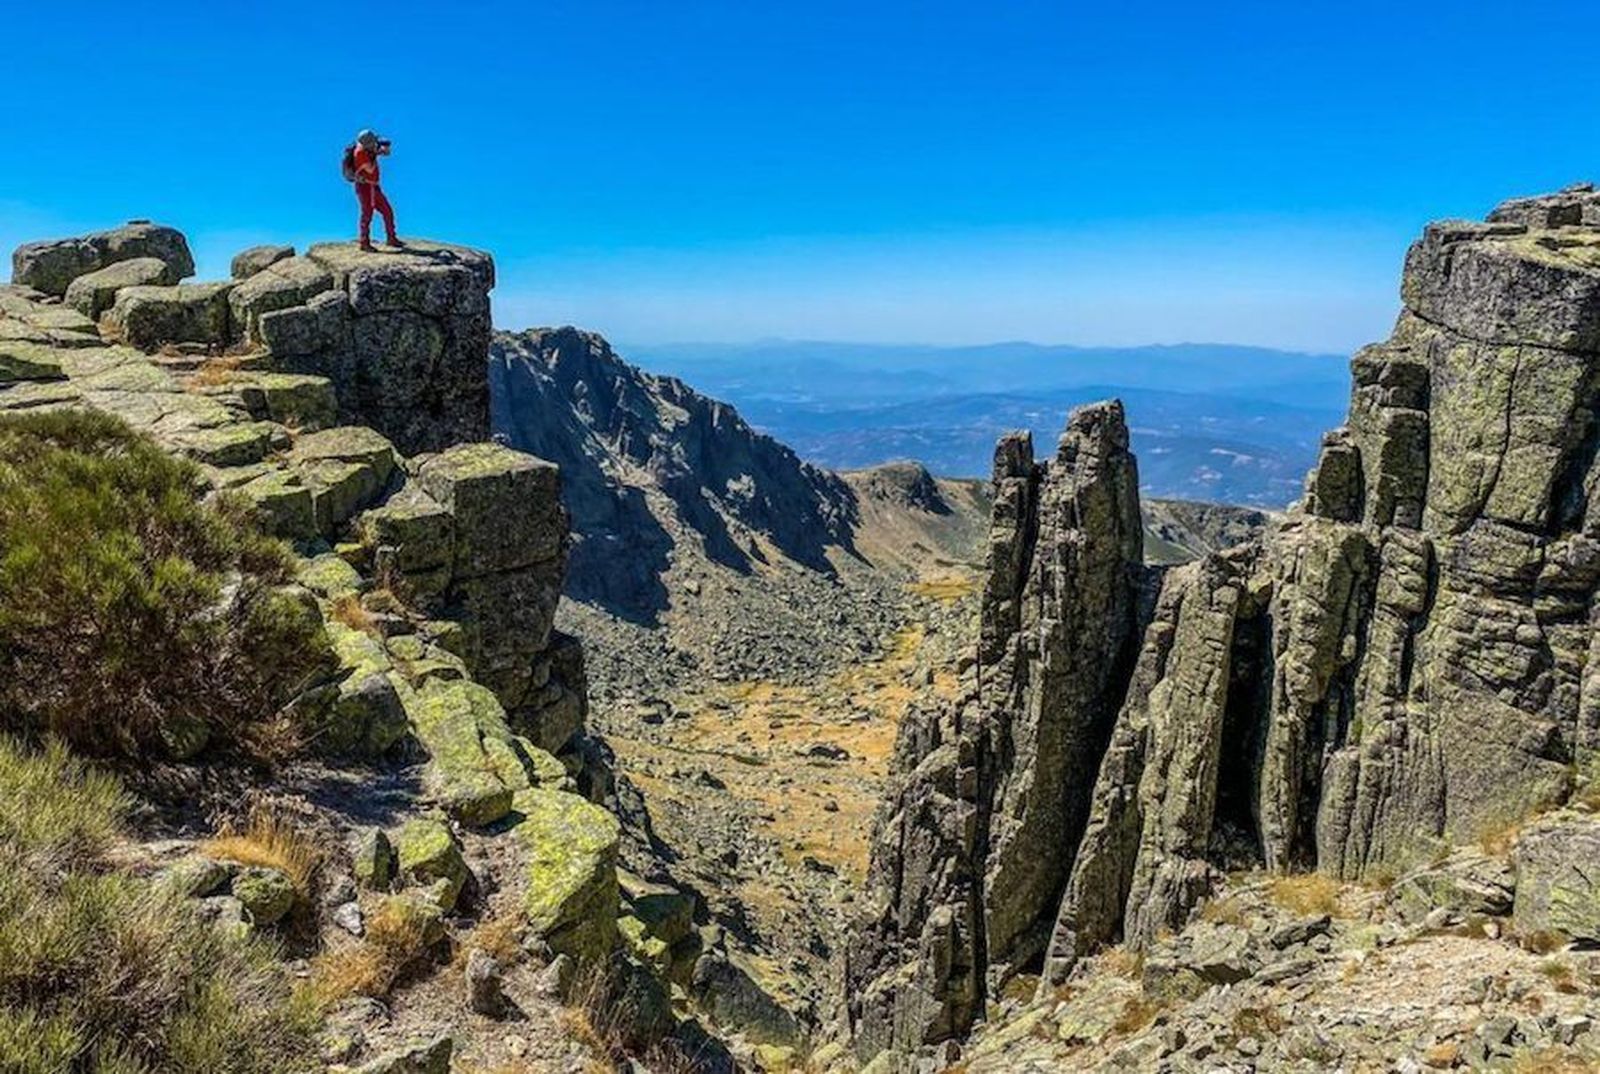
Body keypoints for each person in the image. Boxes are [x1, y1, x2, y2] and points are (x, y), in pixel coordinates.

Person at [350, 129, 403, 252]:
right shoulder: (360, 153)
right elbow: (370, 169)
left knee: (387, 211)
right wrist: (376, 152)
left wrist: (382, 150)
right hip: (364, 187)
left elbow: (386, 154)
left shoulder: (368, 149)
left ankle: (391, 238)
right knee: (367, 214)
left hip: (374, 186)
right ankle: (364, 242)